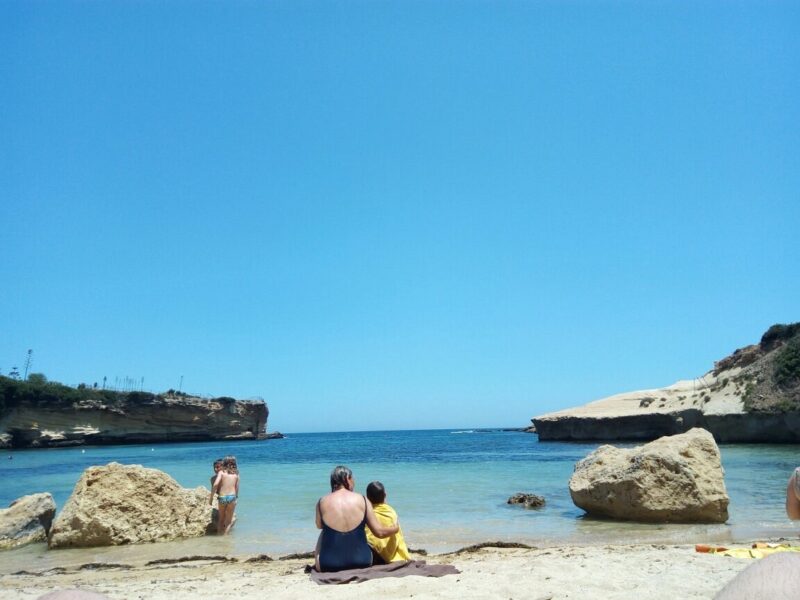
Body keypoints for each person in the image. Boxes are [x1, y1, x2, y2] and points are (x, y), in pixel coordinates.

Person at [314, 465, 400, 572]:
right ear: (347, 478)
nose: (354, 483)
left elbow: (319, 525)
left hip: (328, 565)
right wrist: (396, 528)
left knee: (323, 532)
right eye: (353, 479)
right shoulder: (363, 499)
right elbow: (379, 533)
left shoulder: (321, 501)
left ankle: (321, 559)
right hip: (363, 561)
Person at [365, 481, 410, 563]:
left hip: (373, 552)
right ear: (385, 495)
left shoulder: (367, 513)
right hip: (389, 553)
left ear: (367, 498)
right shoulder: (391, 511)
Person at [211, 456, 239, 535]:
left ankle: (219, 536)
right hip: (232, 497)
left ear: (223, 464)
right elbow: (236, 488)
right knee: (228, 521)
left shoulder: (221, 473)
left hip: (222, 497)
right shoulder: (235, 474)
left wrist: (211, 498)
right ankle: (225, 539)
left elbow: (215, 484)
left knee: (221, 519)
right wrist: (236, 498)